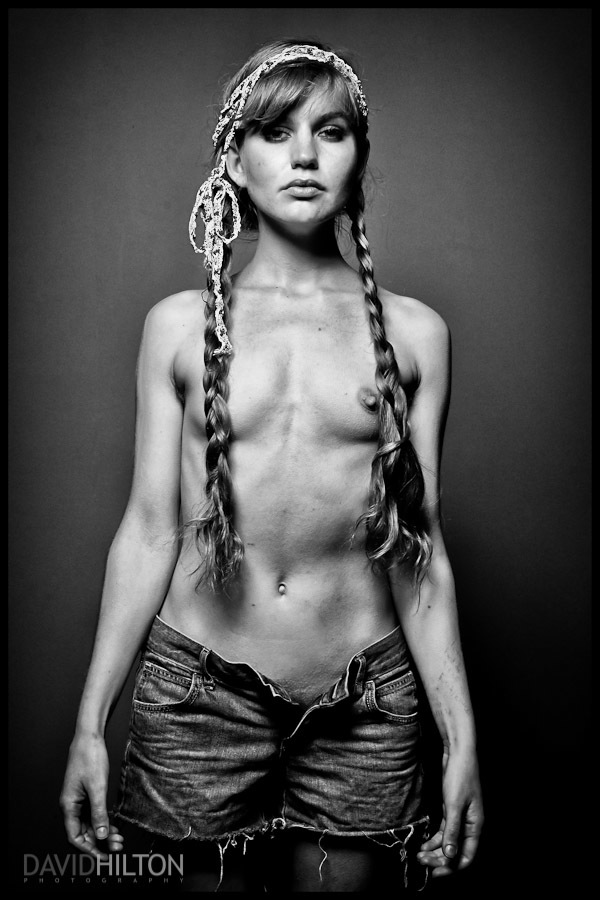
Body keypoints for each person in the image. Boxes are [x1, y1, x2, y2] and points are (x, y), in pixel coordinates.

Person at [60, 39, 484, 892]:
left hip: (365, 706)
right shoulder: (179, 328)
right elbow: (148, 530)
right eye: (275, 131)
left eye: (330, 131)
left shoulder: (416, 335)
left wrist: (461, 732)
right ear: (233, 161)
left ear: (357, 157)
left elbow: (421, 550)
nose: (303, 156)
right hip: (198, 698)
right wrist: (89, 721)